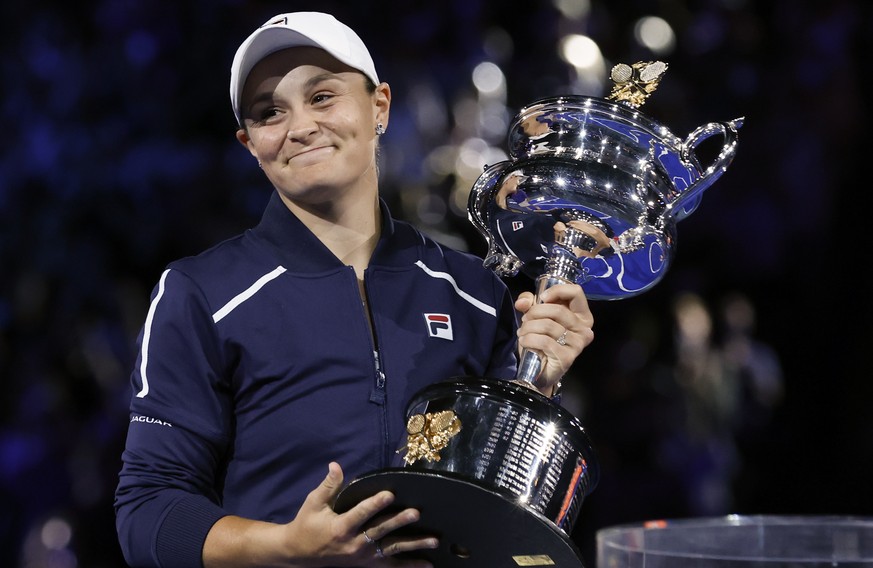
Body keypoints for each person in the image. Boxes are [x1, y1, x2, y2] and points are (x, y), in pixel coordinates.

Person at [114, 11, 594, 568]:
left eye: (322, 97)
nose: (300, 127)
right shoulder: (201, 294)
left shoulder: (473, 292)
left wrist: (540, 384)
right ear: (250, 143)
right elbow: (147, 511)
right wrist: (287, 548)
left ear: (379, 107)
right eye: (270, 112)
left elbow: (507, 516)